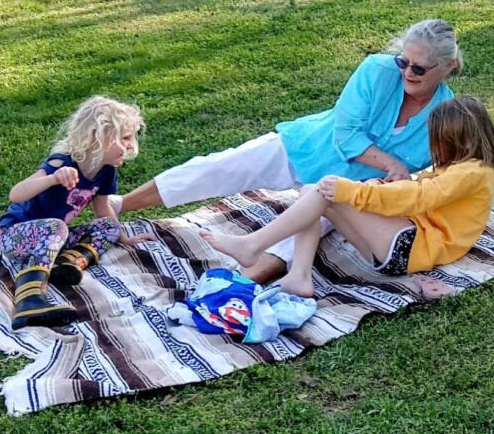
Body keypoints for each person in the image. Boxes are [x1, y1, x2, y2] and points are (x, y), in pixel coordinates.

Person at [116, 18, 463, 282]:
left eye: (418, 68)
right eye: (403, 62)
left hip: (344, 193)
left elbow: (434, 174)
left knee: (290, 247)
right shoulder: (376, 69)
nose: (407, 72)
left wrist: (393, 185)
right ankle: (119, 205)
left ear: (447, 67)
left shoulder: (445, 115)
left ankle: (222, 292)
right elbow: (346, 133)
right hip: (309, 147)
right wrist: (391, 165)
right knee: (218, 167)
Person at [200, 96, 494, 299]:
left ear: (453, 140)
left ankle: (253, 245)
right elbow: (418, 196)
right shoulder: (463, 169)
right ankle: (299, 276)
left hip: (412, 248)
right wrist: (376, 187)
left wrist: (355, 191)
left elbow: (418, 198)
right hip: (405, 243)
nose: (433, 148)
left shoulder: (472, 172)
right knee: (314, 190)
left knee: (328, 189)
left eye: (437, 141)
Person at [0, 95, 152, 330]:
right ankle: (29, 299)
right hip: (15, 238)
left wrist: (123, 238)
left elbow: (103, 210)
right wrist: (52, 178)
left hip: (52, 240)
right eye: (125, 137)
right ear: (96, 137)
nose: (130, 144)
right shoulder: (62, 163)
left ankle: (66, 264)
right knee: (56, 227)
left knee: (109, 225)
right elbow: (16, 194)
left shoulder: (106, 172)